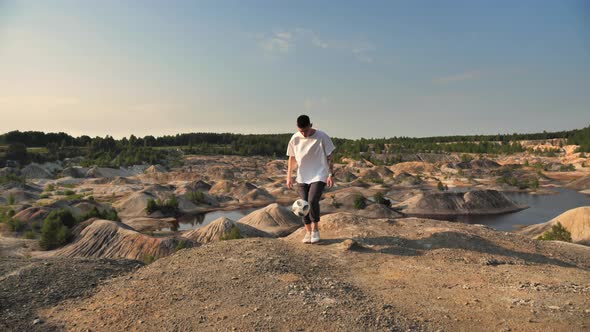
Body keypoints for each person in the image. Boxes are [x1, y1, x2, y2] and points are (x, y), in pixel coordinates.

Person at [286, 115, 336, 244]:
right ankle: (308, 232)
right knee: (303, 204)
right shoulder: (295, 138)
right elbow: (292, 158)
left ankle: (315, 230)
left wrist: (330, 174)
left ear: (311, 125)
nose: (304, 133)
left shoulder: (322, 136)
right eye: (301, 131)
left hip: (319, 174)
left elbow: (330, 156)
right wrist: (289, 176)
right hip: (302, 176)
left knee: (312, 200)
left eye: (306, 130)